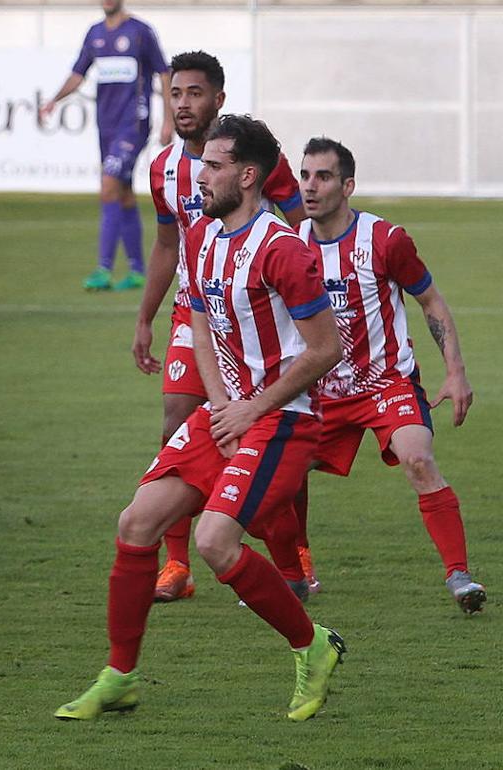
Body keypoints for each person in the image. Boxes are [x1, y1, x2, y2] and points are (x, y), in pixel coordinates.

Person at [55, 115, 346, 723]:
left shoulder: (282, 249)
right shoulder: (202, 237)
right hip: (229, 413)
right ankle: (119, 677)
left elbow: (326, 348)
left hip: (284, 417)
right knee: (136, 522)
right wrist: (219, 407)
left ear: (246, 176)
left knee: (214, 541)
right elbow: (201, 324)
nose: (200, 175)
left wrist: (252, 407)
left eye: (213, 166)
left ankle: (312, 646)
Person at [132, 51, 307, 602]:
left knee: (272, 421)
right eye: (176, 94)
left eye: (195, 94)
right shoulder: (163, 168)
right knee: (178, 415)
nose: (184, 104)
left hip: (255, 305)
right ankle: (177, 564)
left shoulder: (251, 156)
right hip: (196, 309)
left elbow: (300, 227)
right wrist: (144, 317)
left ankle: (292, 549)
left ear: (218, 100)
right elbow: (165, 245)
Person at [297, 137, 485, 614]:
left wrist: (456, 372)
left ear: (348, 185)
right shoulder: (291, 245)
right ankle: (295, 571)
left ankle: (459, 576)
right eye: (304, 176)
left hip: (387, 384)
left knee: (418, 459)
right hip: (322, 391)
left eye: (322, 177)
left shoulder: (385, 240)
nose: (310, 187)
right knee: (281, 472)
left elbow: (431, 301)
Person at [39, 0, 173, 291]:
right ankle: (138, 270)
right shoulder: (94, 33)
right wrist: (54, 100)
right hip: (106, 126)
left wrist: (168, 120)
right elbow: (79, 73)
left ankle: (104, 268)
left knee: (108, 185)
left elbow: (164, 72)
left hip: (133, 124)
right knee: (123, 193)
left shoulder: (140, 32)